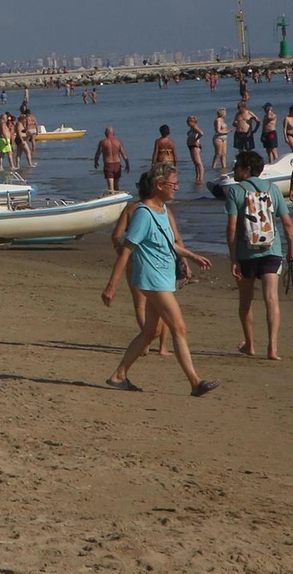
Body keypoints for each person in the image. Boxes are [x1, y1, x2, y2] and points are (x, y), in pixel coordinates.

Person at [102, 163, 218, 397]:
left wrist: (191, 255)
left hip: (163, 277)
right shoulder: (143, 214)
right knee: (179, 327)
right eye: (172, 184)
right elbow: (126, 250)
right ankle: (195, 382)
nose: (176, 187)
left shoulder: (162, 210)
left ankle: (119, 375)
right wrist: (111, 286)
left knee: (151, 332)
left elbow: (168, 244)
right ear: (158, 185)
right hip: (152, 279)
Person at [226, 150, 293, 361]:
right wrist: (292, 250)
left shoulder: (235, 192)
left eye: (238, 165)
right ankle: (273, 349)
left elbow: (231, 229)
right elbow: (287, 224)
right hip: (271, 251)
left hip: (246, 253)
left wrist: (233, 259)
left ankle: (250, 344)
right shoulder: (273, 189)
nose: (234, 169)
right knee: (271, 299)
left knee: (246, 300)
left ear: (247, 169)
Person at [110, 171, 192, 356]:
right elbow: (176, 238)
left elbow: (116, 236)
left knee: (141, 305)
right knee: (161, 307)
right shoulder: (163, 210)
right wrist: (186, 262)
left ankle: (146, 341)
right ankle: (162, 346)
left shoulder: (132, 209)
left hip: (136, 260)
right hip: (162, 265)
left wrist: (121, 249)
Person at [93, 126, 130, 191]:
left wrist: (96, 162)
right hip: (117, 165)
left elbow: (98, 153)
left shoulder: (103, 142)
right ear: (114, 133)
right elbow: (123, 153)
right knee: (116, 185)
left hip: (108, 164)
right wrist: (127, 164)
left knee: (110, 186)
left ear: (105, 133)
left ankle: (113, 198)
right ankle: (118, 198)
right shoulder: (118, 142)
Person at [184, 116, 204, 184]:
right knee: (195, 163)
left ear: (193, 122)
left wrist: (195, 140)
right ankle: (197, 177)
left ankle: (200, 178)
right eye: (187, 121)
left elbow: (201, 133)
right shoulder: (192, 128)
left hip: (195, 146)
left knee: (198, 163)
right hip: (191, 146)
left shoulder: (195, 127)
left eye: (189, 121)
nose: (188, 123)